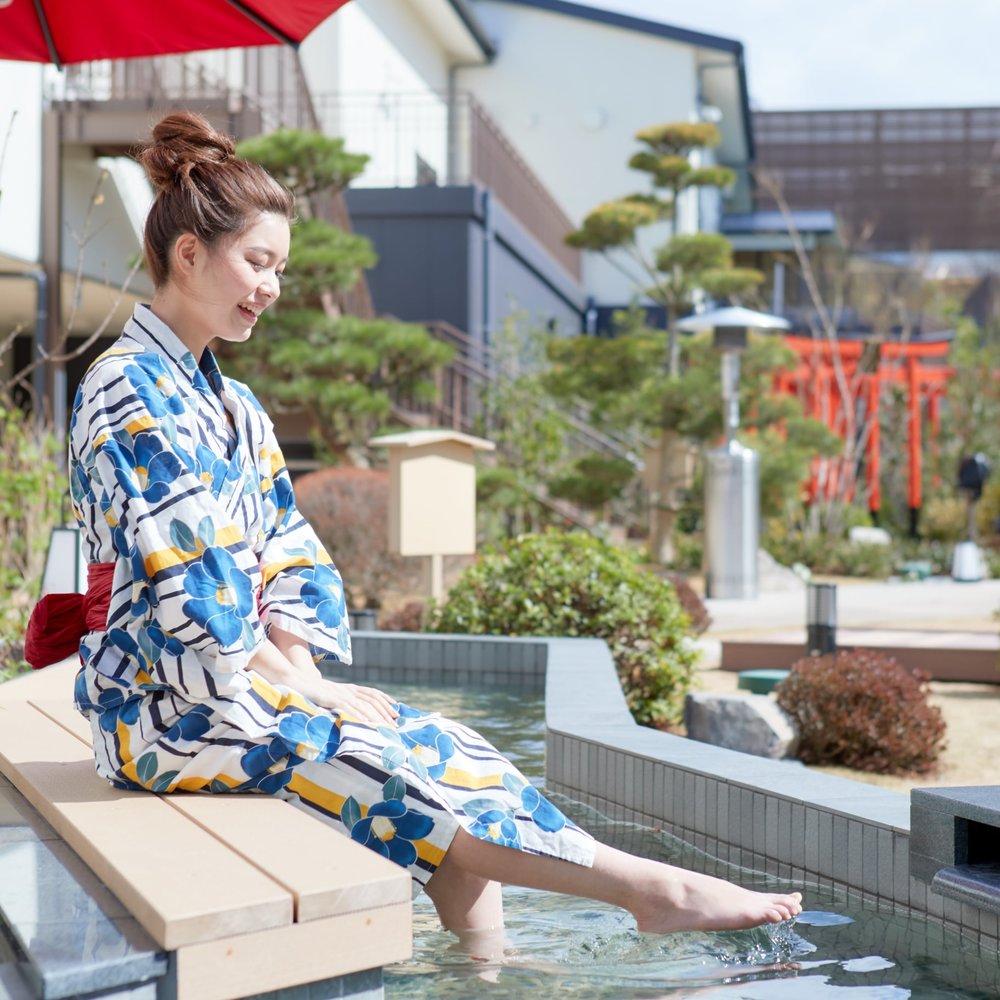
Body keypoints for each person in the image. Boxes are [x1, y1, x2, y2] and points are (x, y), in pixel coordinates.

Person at [62, 111, 801, 943]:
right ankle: (649, 890)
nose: (271, 286)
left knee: (447, 748)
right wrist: (299, 688)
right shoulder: (124, 388)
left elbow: (284, 548)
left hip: (237, 692)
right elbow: (190, 576)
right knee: (386, 769)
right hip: (159, 714)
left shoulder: (234, 404)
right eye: (257, 262)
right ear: (189, 254)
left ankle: (493, 969)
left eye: (280, 268)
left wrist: (303, 675)